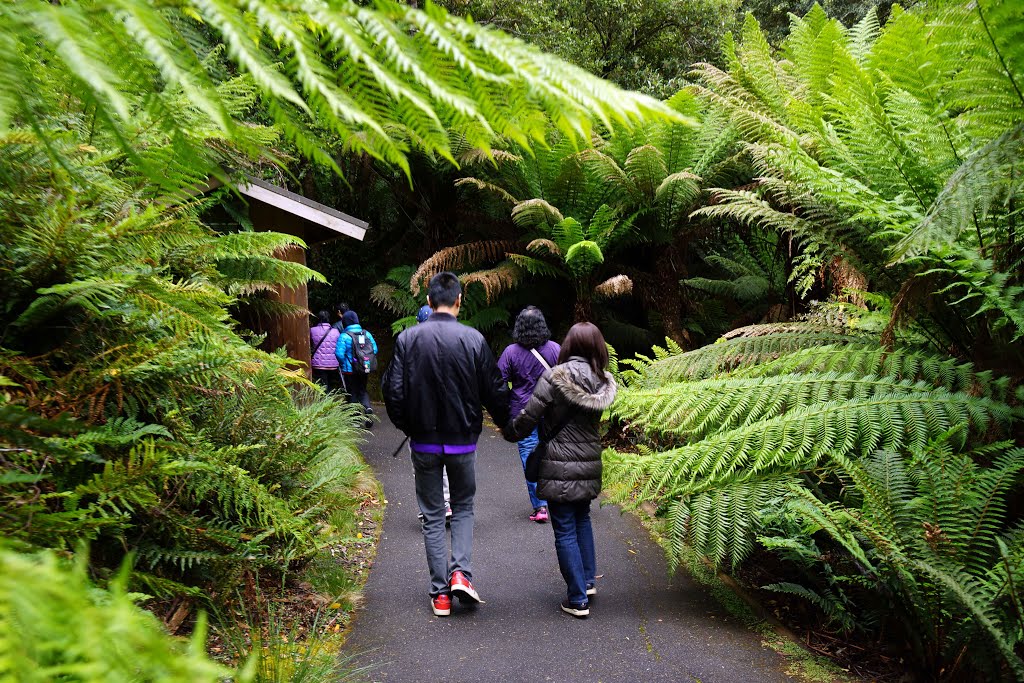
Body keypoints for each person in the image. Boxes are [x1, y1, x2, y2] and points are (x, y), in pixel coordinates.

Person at [383, 272, 509, 617]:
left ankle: (440, 594)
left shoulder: (408, 339)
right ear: (458, 301)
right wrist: (509, 426)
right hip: (462, 442)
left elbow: (392, 392)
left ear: (427, 302)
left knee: (433, 515)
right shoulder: (473, 339)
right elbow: (495, 391)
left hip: (423, 443)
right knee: (464, 507)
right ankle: (461, 575)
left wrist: (410, 426)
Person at [502, 322, 617, 618]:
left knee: (564, 527)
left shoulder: (554, 377)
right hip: (589, 461)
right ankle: (588, 582)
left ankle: (577, 599)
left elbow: (530, 414)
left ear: (568, 346)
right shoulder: (603, 381)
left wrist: (511, 431)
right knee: (582, 519)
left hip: (557, 462)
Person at [497, 306, 560, 523]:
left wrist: (504, 408)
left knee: (529, 457)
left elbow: (499, 382)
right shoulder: (555, 350)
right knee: (553, 454)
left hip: (523, 413)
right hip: (551, 411)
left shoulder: (510, 352)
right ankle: (557, 500)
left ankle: (540, 507)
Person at [412, 303, 451, 523]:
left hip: (421, 420)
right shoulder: (453, 344)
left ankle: (429, 507)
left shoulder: (411, 348)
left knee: (422, 465)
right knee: (446, 461)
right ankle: (446, 503)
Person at [335, 310, 377, 424]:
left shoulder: (344, 336)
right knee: (362, 390)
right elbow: (375, 349)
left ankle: (356, 420)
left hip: (350, 371)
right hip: (364, 368)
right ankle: (367, 408)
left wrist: (344, 363)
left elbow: (339, 354)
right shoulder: (366, 333)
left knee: (352, 392)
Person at [310, 310, 341, 392]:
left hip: (318, 363)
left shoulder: (312, 330)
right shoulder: (336, 331)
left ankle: (323, 401)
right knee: (330, 385)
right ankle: (329, 400)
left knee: (322, 385)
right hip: (333, 364)